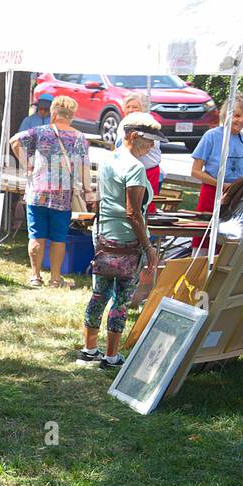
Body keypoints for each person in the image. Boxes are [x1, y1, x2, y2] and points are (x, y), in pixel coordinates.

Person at [77, 113, 163, 370]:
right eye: (150, 142)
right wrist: (148, 247)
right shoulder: (135, 167)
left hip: (103, 234)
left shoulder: (108, 158)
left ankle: (89, 349)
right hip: (126, 240)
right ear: (134, 136)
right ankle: (111, 356)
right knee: (122, 299)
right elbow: (133, 212)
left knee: (99, 293)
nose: (152, 147)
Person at [10, 94, 93, 287]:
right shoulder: (79, 138)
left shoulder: (39, 131)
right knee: (58, 237)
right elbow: (84, 167)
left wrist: (26, 165)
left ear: (53, 113)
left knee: (36, 235)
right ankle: (55, 278)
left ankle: (35, 276)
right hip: (62, 195)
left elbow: (15, 141)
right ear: (71, 115)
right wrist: (88, 190)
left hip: (37, 192)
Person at [190, 92, 243, 248]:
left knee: (230, 244)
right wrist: (221, 184)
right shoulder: (211, 136)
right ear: (227, 114)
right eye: (237, 115)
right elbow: (195, 171)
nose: (241, 120)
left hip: (238, 199)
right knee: (204, 242)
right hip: (211, 194)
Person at [116, 92, 161, 209]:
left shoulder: (148, 122)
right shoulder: (124, 122)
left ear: (143, 108)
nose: (131, 110)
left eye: (135, 107)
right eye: (128, 107)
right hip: (126, 170)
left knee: (144, 207)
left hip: (148, 171)